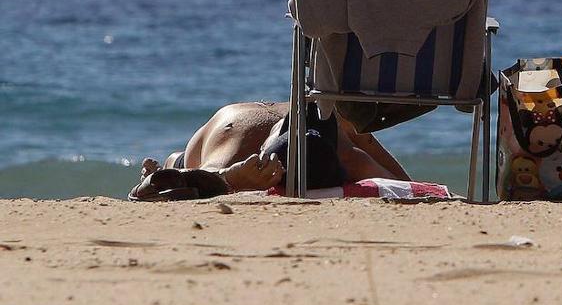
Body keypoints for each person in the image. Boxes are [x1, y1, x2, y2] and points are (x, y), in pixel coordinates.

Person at [133, 100, 411, 198]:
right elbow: (405, 185)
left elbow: (404, 183)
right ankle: (173, 163)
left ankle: (172, 163)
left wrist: (231, 179)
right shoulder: (350, 157)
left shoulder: (340, 133)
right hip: (232, 128)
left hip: (236, 123)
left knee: (190, 168)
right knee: (202, 170)